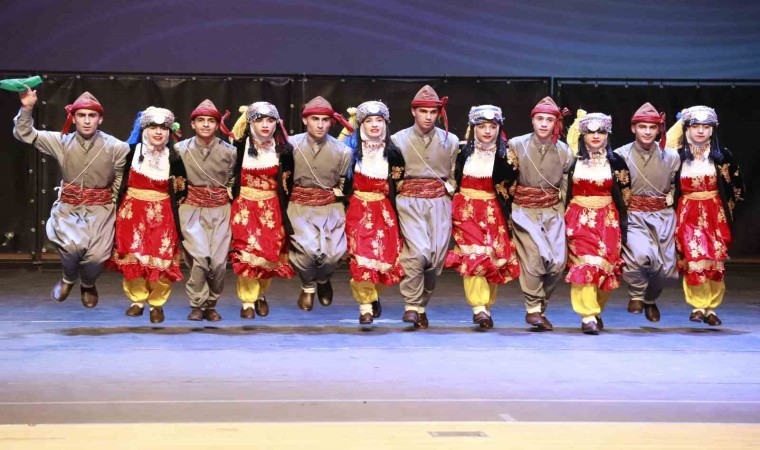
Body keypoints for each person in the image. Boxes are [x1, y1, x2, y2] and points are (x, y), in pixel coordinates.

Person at [13, 88, 129, 308]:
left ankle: (88, 283)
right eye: (81, 115)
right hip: (69, 207)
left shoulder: (116, 146)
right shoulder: (62, 141)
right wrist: (27, 108)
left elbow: (119, 178)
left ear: (100, 119)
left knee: (97, 257)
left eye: (92, 115)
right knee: (71, 248)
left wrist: (110, 203)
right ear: (73, 118)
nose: (87, 120)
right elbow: (24, 133)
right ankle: (68, 278)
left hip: (101, 208)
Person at [668, 106, 745, 326]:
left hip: (715, 212)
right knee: (695, 257)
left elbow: (736, 186)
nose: (700, 131)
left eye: (706, 127)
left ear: (712, 130)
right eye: (695, 126)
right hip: (688, 211)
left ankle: (711, 308)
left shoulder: (722, 156)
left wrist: (730, 210)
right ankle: (699, 305)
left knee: (715, 258)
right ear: (687, 129)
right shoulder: (677, 156)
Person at [445, 105, 520, 329]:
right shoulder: (461, 152)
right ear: (473, 128)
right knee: (474, 255)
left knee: (491, 258)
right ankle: (478, 307)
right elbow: (451, 177)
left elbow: (512, 187)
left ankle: (485, 306)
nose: (487, 131)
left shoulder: (507, 156)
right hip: (465, 210)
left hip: (493, 210)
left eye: (492, 127)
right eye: (482, 126)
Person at [109, 107, 186, 324]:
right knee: (134, 256)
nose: (158, 132)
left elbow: (181, 188)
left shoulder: (174, 157)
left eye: (163, 128)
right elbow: (116, 178)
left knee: (162, 257)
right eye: (153, 127)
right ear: (144, 129)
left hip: (163, 213)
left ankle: (157, 304)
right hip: (132, 212)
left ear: (169, 131)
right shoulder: (130, 152)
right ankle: (137, 300)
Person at [391, 85, 459, 329]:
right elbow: (393, 176)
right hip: (409, 202)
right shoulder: (397, 139)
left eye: (433, 112)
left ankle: (421, 307)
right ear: (413, 111)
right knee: (418, 252)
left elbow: (454, 175)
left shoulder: (450, 140)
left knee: (435, 260)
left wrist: (449, 191)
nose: (428, 117)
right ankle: (411, 305)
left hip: (440, 203)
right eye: (423, 111)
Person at [506, 97, 573, 331]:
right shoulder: (516, 145)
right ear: (532, 120)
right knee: (535, 258)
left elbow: (566, 185)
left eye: (549, 120)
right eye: (540, 119)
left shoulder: (565, 151)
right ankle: (533, 308)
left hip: (553, 210)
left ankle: (539, 307)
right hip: (524, 209)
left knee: (557, 263)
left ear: (556, 123)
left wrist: (563, 212)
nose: (544, 124)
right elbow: (506, 179)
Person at [564, 111, 630, 334]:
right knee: (585, 266)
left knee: (604, 268)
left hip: (607, 219)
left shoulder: (616, 162)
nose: (595, 136)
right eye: (590, 132)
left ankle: (596, 309)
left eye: (600, 132)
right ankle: (588, 315)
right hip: (578, 218)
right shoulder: (573, 160)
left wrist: (623, 224)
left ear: (607, 134)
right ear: (582, 134)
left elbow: (625, 195)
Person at [229, 101, 295, 319]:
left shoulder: (284, 151)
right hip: (245, 207)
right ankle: (248, 301)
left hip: (271, 208)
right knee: (247, 254)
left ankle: (260, 294)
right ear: (250, 123)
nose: (265, 125)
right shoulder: (239, 146)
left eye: (270, 120)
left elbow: (288, 182)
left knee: (269, 254)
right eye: (259, 120)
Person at [614, 102, 680, 322]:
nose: (648, 132)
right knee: (640, 256)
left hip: (663, 215)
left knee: (667, 270)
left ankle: (650, 299)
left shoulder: (671, 156)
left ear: (659, 129)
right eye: (642, 127)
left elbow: (677, 185)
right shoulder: (620, 155)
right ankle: (636, 294)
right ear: (633, 128)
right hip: (634, 215)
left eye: (652, 127)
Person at [287, 96, 353, 311]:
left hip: (329, 207)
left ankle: (323, 280)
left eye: (325, 120)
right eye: (315, 119)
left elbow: (343, 183)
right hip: (299, 205)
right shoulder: (290, 145)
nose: (320, 124)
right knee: (308, 252)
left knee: (332, 254)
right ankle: (308, 286)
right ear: (305, 120)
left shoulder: (342, 150)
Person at [344, 100, 405, 325]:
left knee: (385, 260)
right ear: (361, 124)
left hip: (384, 210)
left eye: (379, 120)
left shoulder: (393, 153)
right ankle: (365, 307)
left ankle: (372, 294)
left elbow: (399, 185)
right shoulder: (350, 150)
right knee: (362, 258)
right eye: (369, 121)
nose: (375, 125)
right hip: (358, 209)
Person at [176, 100, 237, 322]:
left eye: (211, 121)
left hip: (220, 209)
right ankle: (197, 304)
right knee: (200, 258)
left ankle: (211, 303)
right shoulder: (180, 149)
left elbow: (233, 180)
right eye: (200, 120)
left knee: (218, 262)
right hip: (191, 208)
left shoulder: (230, 152)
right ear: (192, 124)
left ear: (217, 125)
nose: (205, 125)